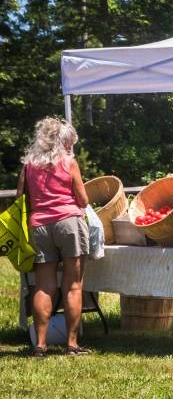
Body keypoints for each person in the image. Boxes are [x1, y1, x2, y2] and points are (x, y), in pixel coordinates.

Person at [15, 118, 90, 357]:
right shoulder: (69, 162)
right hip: (68, 224)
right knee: (73, 285)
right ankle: (71, 344)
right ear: (61, 141)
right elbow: (83, 200)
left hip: (39, 226)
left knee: (44, 286)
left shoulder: (28, 166)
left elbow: (20, 198)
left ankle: (40, 345)